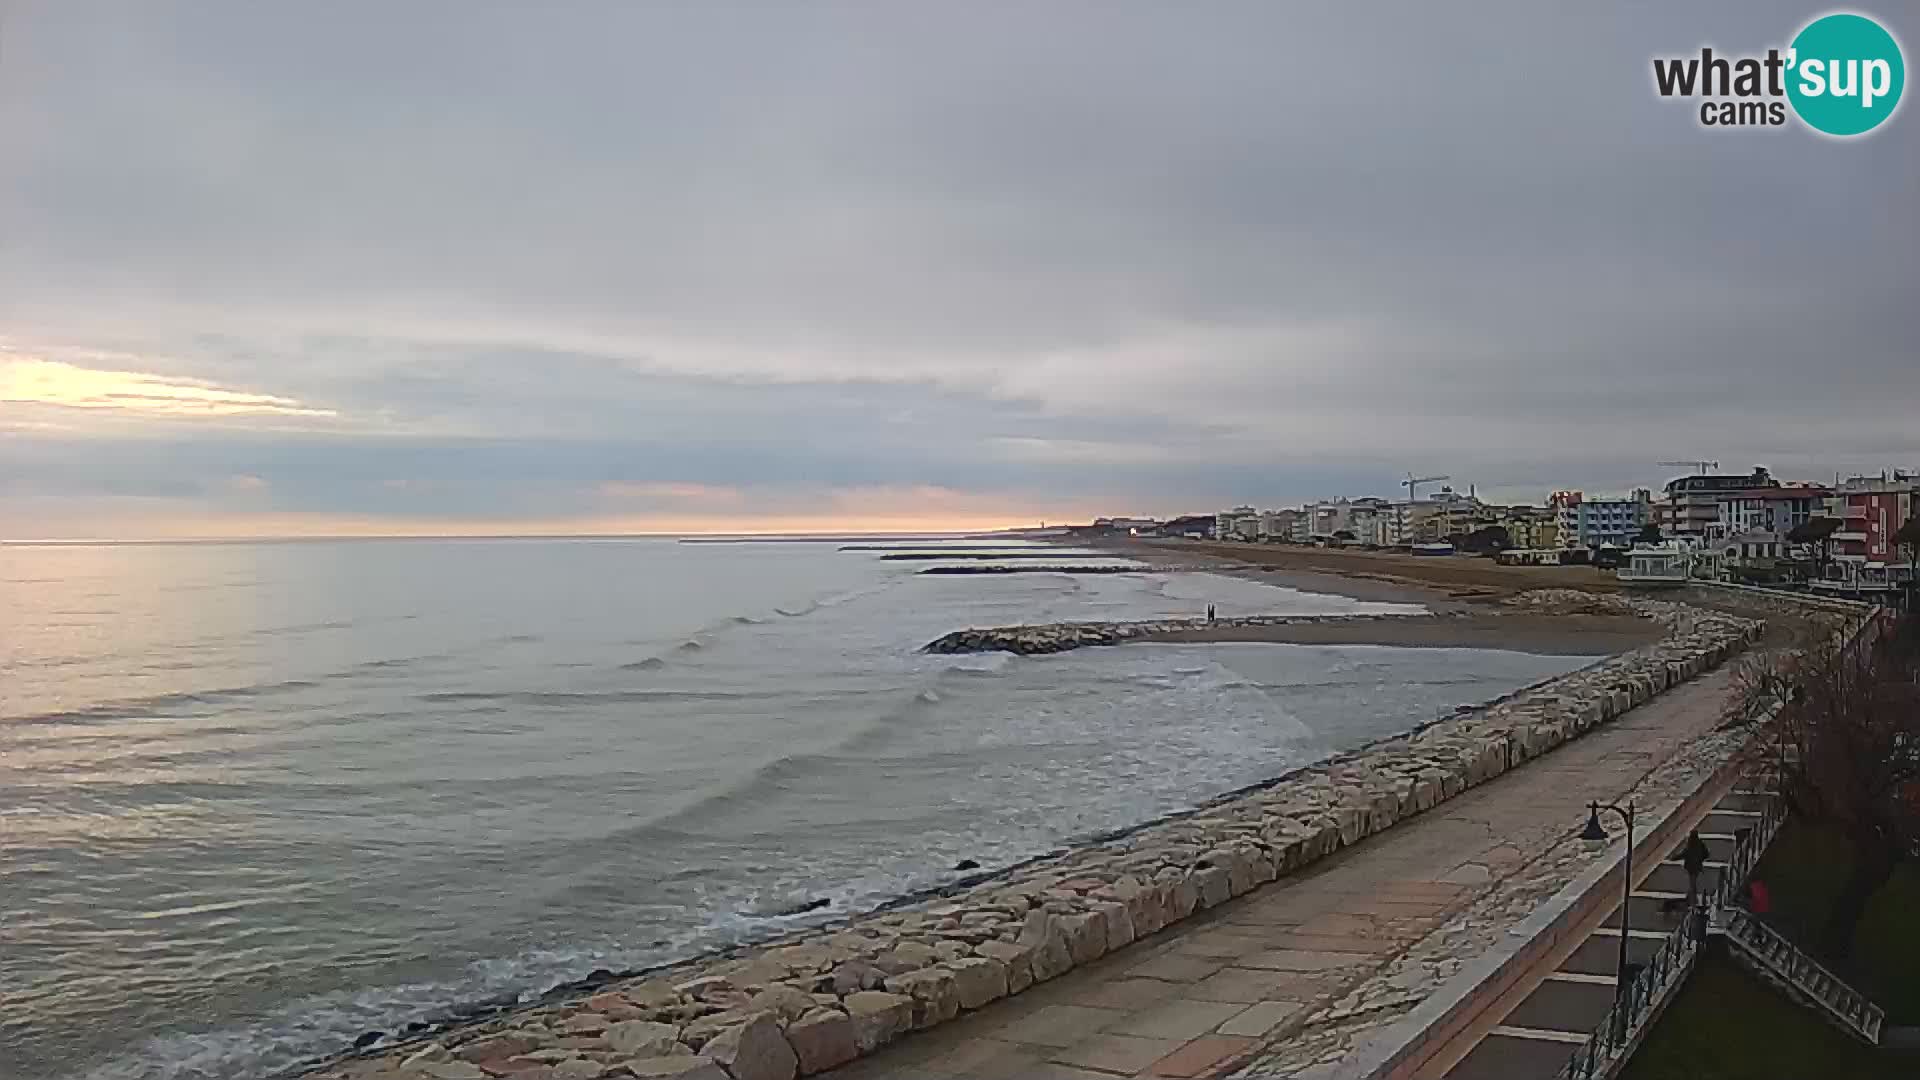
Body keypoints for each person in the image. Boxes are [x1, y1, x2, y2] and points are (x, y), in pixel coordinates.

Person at [1680, 829, 1711, 907]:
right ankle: (1692, 898)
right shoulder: (1700, 843)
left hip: (1690, 868)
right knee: (1693, 883)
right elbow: (1706, 854)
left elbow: (1684, 854)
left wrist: (1673, 858)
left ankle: (1693, 900)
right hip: (1697, 867)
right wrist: (1700, 859)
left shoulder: (1690, 844)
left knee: (1692, 883)